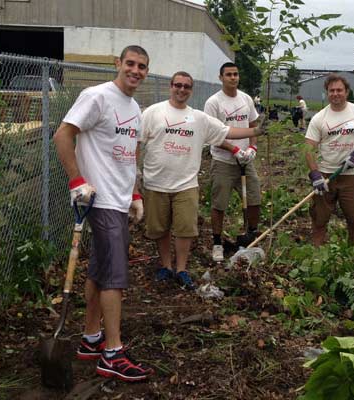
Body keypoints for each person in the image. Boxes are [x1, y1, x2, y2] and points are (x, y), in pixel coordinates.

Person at [53, 45, 153, 381]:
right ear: (118, 64)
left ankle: (91, 336)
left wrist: (136, 193)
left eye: (142, 66)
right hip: (101, 199)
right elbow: (63, 135)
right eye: (130, 64)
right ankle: (112, 353)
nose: (135, 70)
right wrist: (77, 181)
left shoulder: (134, 107)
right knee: (114, 278)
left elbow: (129, 153)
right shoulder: (96, 96)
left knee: (99, 271)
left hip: (120, 200)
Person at [140, 71, 264, 289]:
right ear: (171, 86)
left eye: (186, 86)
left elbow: (227, 131)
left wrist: (256, 131)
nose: (181, 89)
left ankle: (181, 269)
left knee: (185, 229)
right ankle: (166, 266)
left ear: (191, 90)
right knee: (160, 229)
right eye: (178, 85)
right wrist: (135, 173)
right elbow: (137, 142)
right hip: (156, 182)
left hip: (186, 183)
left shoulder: (198, 118)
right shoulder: (153, 113)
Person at [304, 74, 354, 246]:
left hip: (353, 175)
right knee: (319, 219)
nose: (335, 93)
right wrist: (315, 174)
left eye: (339, 90)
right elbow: (309, 148)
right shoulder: (319, 118)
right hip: (326, 175)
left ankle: (352, 252)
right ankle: (317, 254)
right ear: (327, 93)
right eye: (332, 90)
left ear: (346, 92)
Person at [204, 62, 261, 262]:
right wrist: (234, 149)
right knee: (220, 203)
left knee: (254, 197)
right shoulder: (214, 102)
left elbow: (253, 126)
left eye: (236, 74)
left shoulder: (245, 99)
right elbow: (212, 134)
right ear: (221, 77)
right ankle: (218, 242)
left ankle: (252, 235)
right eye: (228, 74)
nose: (233, 78)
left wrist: (252, 147)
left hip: (246, 161)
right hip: (223, 162)